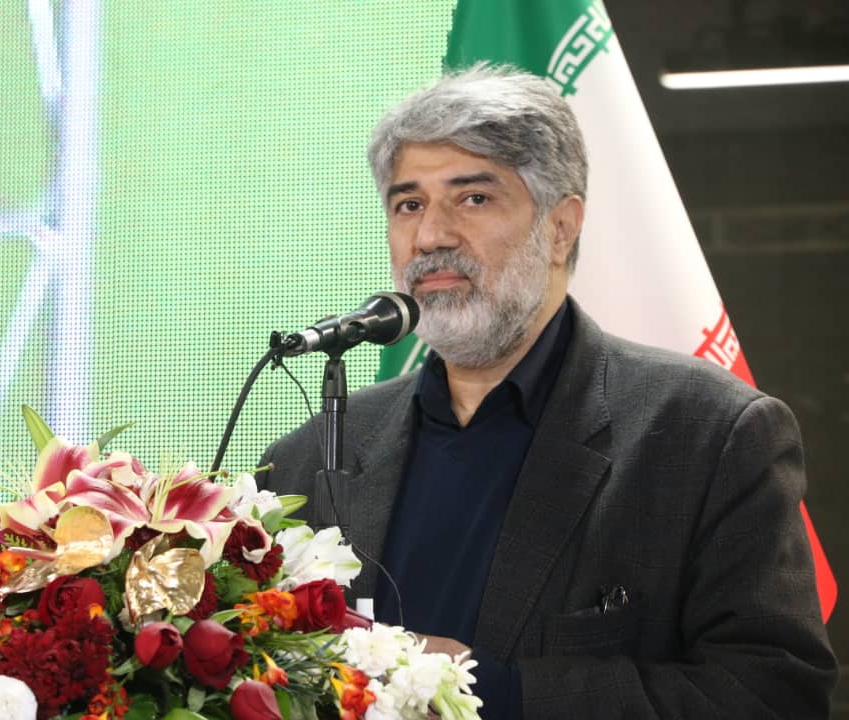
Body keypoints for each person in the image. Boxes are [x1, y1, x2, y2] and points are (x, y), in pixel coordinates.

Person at [258, 64, 836, 719]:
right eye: (408, 204)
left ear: (560, 227)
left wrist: (495, 692)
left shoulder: (708, 434)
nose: (431, 236)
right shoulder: (309, 457)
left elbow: (772, 693)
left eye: (474, 198)